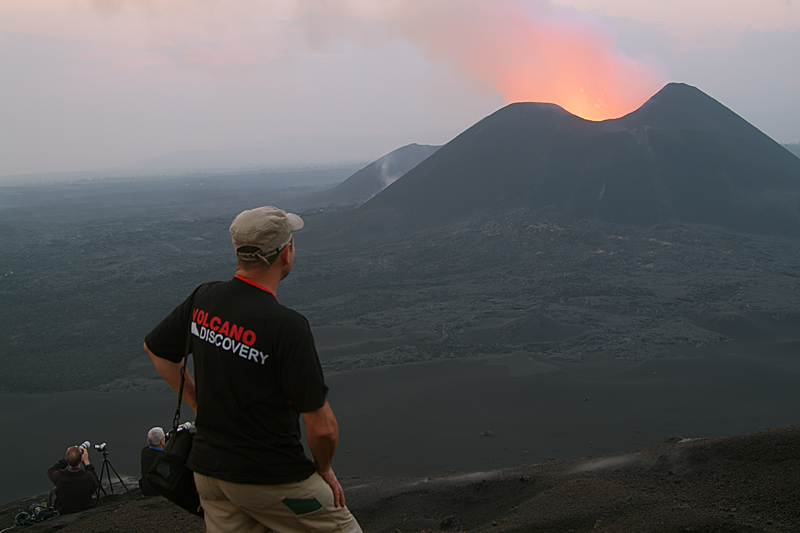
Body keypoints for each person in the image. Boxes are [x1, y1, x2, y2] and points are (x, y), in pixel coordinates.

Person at [144, 206, 361, 532]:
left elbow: (157, 350)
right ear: (285, 254)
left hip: (209, 477)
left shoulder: (203, 299)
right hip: (270, 477)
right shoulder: (286, 327)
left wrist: (197, 402)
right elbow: (323, 428)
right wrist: (324, 469)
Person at [47, 445, 100, 514]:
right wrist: (86, 462)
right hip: (85, 507)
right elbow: (96, 483)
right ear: (81, 460)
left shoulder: (59, 475)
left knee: (54, 490)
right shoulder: (88, 476)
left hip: (64, 509)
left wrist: (69, 457)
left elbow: (50, 470)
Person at [139, 426, 165, 497]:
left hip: (146, 490)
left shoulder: (144, 452)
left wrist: (168, 436)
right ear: (162, 441)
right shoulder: (163, 457)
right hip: (158, 492)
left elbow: (154, 445)